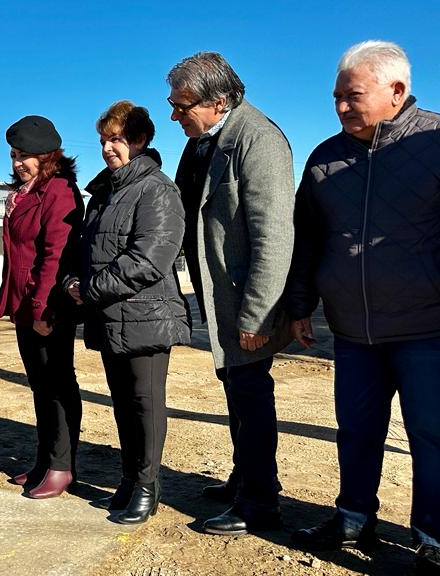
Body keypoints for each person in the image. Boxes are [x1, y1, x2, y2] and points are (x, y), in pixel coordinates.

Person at [286, 41, 440, 575]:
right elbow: (308, 239)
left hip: (429, 328)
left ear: (396, 91)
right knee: (355, 428)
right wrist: (301, 303)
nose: (341, 107)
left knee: (432, 434)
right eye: (336, 98)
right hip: (352, 330)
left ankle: (432, 537)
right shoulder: (326, 158)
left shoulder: (436, 141)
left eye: (352, 96)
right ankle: (352, 517)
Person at [167, 52, 295, 535]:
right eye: (173, 104)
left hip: (246, 304)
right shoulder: (203, 142)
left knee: (251, 396)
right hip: (218, 297)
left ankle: (260, 501)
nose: (175, 116)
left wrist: (257, 315)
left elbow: (274, 234)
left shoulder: (257, 140)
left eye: (182, 106)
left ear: (218, 101)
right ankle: (245, 477)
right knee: (236, 394)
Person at [70, 101, 190, 523]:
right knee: (122, 403)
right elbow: (87, 250)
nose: (107, 148)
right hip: (109, 315)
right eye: (104, 140)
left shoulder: (157, 189)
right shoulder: (104, 193)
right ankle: (128, 478)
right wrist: (74, 282)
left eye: (116, 139)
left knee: (145, 403)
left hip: (146, 315)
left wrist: (91, 290)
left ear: (139, 140)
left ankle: (146, 485)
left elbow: (151, 257)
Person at [0, 115, 84, 499]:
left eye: (27, 155)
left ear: (49, 155)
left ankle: (62, 466)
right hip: (24, 306)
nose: (18, 163)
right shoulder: (26, 193)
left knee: (57, 385)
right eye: (15, 155)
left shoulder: (59, 190)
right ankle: (45, 459)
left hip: (47, 308)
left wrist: (43, 309)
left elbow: (55, 254)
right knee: (40, 387)